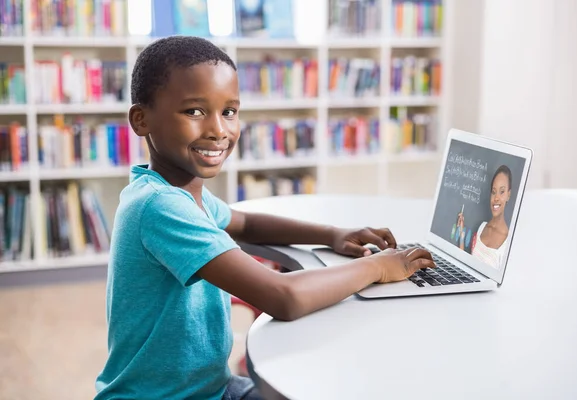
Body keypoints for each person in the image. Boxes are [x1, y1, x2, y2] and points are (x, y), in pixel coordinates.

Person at [94, 36, 435, 400]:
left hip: (209, 388)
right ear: (141, 120)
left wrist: (333, 234)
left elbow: (245, 223)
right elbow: (282, 297)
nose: (218, 130)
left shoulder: (180, 193)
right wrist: (379, 268)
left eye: (229, 111)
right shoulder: (160, 206)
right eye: (194, 111)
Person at [468, 165, 512, 269]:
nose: (496, 198)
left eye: (502, 192)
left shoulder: (508, 244)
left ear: (508, 195)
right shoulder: (481, 228)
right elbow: (469, 267)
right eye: (493, 192)